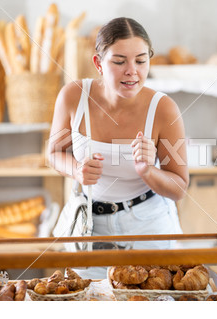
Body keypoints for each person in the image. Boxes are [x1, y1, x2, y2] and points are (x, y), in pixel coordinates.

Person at [48, 17, 189, 277]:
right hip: (91, 229)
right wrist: (77, 170)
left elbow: (179, 188)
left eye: (140, 60)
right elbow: (54, 153)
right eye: (119, 61)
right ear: (98, 63)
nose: (132, 71)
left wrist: (148, 171)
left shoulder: (163, 108)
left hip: (149, 228)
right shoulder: (73, 96)